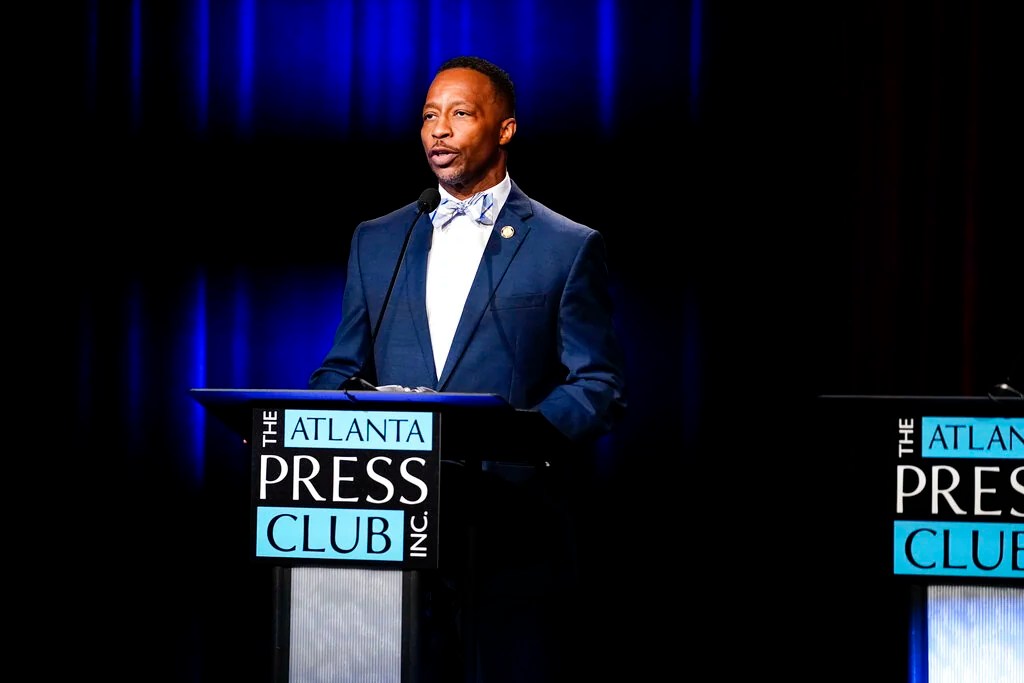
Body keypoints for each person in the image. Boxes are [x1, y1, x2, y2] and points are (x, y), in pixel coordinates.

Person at [309, 55, 627, 683]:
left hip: (510, 531)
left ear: (504, 130)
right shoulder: (379, 238)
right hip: (389, 525)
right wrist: (317, 422)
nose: (439, 131)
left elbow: (599, 386)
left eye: (459, 114)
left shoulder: (567, 245)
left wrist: (520, 434)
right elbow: (338, 370)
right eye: (429, 116)